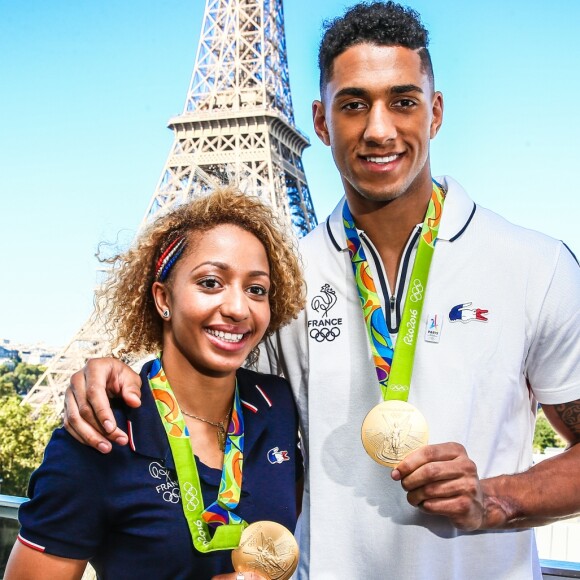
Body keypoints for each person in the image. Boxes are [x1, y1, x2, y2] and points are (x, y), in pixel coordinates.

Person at [62, 2, 580, 579]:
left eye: (403, 101)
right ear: (319, 120)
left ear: (434, 113)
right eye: (353, 104)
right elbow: (202, 400)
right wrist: (114, 377)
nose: (379, 128)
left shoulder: (537, 266)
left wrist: (497, 499)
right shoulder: (278, 283)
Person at [6, 187, 305, 580]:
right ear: (163, 298)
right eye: (211, 282)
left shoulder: (276, 406)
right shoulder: (101, 432)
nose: (237, 308)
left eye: (256, 289)